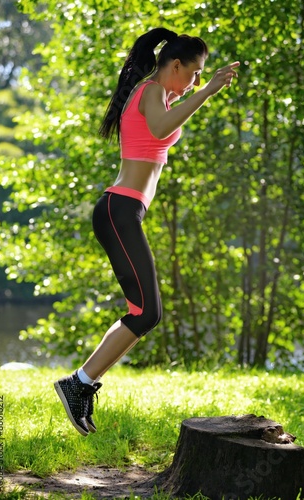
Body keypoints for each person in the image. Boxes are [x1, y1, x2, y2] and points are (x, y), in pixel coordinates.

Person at [54, 27, 239, 436]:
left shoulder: (158, 94)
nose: (195, 80)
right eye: (193, 73)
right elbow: (158, 130)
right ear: (175, 66)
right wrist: (205, 91)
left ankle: (80, 383)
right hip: (119, 211)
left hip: (123, 213)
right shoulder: (151, 92)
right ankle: (78, 384)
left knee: (145, 312)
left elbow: (163, 123)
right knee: (147, 312)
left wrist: (198, 91)